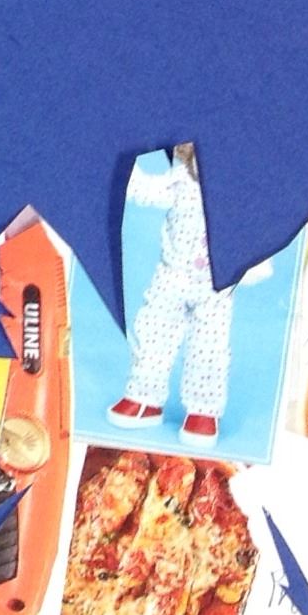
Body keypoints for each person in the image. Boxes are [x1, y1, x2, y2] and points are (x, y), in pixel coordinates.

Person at [108, 144, 232, 449]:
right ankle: (144, 398)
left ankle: (203, 411)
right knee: (152, 333)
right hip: (172, 276)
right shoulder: (180, 181)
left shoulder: (240, 193)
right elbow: (144, 190)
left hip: (216, 284)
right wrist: (119, 161)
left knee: (209, 346)